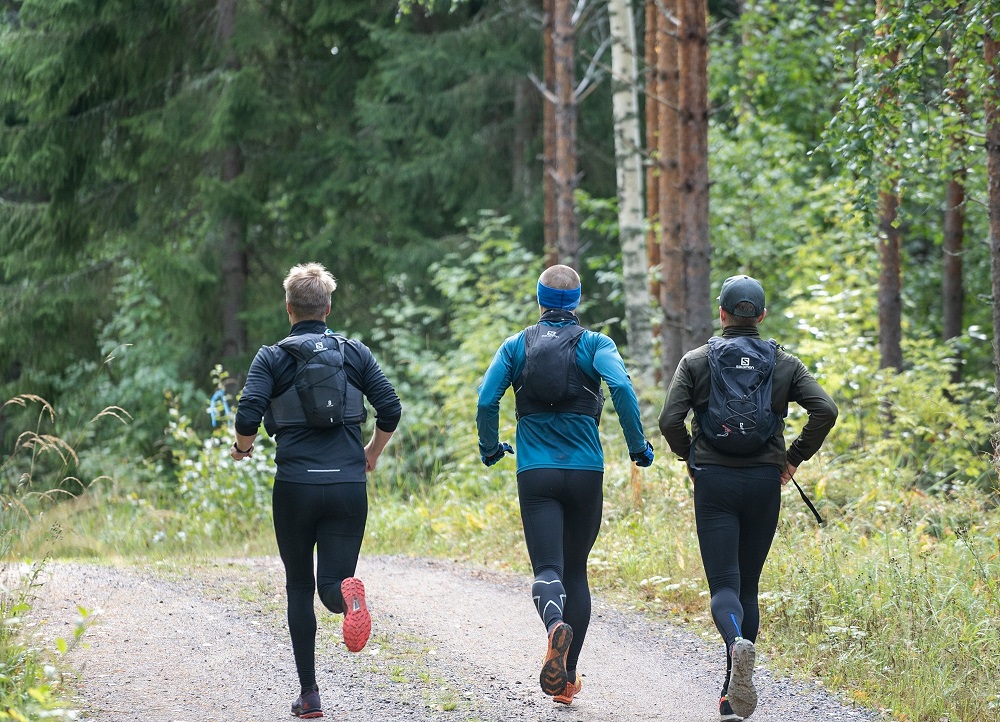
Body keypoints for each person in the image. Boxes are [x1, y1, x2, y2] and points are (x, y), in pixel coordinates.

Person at [658, 275, 838, 721]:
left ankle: (736, 646)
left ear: (721, 314)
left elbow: (668, 420)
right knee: (749, 586)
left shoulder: (696, 360)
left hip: (714, 481)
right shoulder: (784, 363)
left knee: (724, 586)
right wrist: (792, 459)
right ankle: (730, 693)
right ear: (760, 315)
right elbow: (826, 410)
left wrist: (691, 456)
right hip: (763, 481)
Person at [476, 264, 655, 706]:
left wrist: (490, 448)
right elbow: (622, 388)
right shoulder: (595, 343)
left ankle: (553, 623)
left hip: (535, 472)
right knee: (576, 571)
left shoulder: (516, 345)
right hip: (585, 472)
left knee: (547, 571)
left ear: (540, 300)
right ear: (576, 303)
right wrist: (638, 447)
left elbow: (486, 399)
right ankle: (568, 678)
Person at [231, 262, 401, 719]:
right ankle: (349, 600)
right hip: (348, 485)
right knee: (331, 583)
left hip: (295, 489)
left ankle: (309, 695)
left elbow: (248, 416)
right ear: (327, 307)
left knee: (299, 585)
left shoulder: (272, 357)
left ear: (289, 309)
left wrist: (243, 448)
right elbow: (390, 406)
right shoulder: (353, 352)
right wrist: (372, 452)